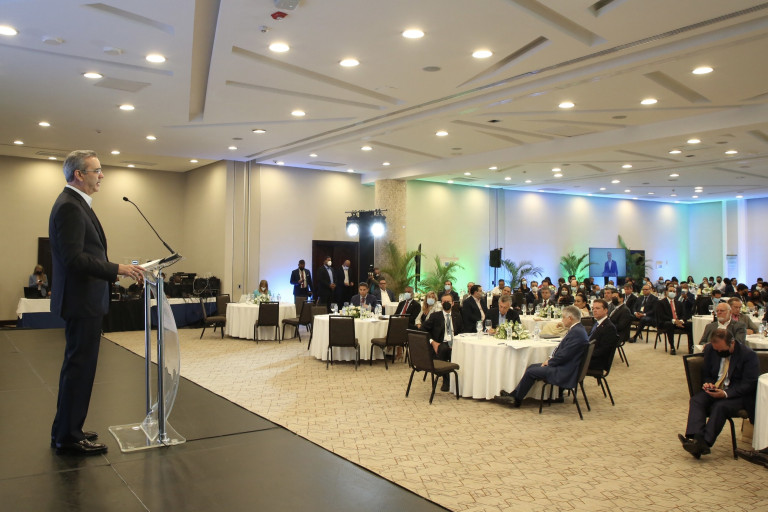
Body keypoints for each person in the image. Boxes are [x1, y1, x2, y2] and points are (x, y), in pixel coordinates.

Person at [49, 150, 145, 455]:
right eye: (97, 170)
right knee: (79, 369)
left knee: (79, 368)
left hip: (85, 300)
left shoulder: (76, 204)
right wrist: (118, 269)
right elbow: (74, 259)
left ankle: (66, 429)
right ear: (79, 174)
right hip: (81, 302)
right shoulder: (70, 206)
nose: (102, 175)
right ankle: (68, 436)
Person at [678, 329, 759, 459]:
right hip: (716, 388)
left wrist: (725, 393)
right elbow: (707, 373)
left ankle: (704, 443)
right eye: (717, 350)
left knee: (720, 406)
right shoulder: (711, 349)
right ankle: (697, 438)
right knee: (696, 400)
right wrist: (709, 384)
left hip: (737, 395)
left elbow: (749, 384)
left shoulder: (748, 355)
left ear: (732, 343)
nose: (719, 352)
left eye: (722, 350)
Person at [497, 306, 589, 408]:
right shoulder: (578, 329)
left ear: (570, 318)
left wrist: (550, 362)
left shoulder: (576, 333)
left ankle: (517, 400)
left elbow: (565, 355)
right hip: (566, 366)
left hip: (565, 370)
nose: (562, 320)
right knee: (532, 367)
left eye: (563, 317)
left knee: (531, 372)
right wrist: (550, 359)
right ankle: (514, 395)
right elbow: (565, 353)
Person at [421, 294, 463, 391]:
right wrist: (432, 342)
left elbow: (461, 331)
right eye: (444, 302)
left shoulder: (457, 316)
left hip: (455, 342)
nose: (446, 303)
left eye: (448, 302)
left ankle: (461, 380)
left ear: (453, 303)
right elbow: (423, 329)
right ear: (441, 303)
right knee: (443, 349)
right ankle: (446, 380)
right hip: (441, 343)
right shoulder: (435, 316)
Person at [657, 283, 693, 355]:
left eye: (674, 291)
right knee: (669, 324)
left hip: (679, 322)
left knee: (690, 325)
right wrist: (674, 321)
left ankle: (691, 347)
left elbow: (684, 314)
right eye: (670, 291)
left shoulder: (679, 303)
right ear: (666, 292)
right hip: (667, 322)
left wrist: (681, 321)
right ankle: (672, 347)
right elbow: (661, 315)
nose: (672, 293)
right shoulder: (661, 303)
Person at [587, 299, 618, 372]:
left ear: (606, 310)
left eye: (597, 308)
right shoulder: (597, 323)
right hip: (589, 354)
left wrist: (584, 355)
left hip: (596, 361)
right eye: (593, 308)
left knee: (567, 361)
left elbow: (603, 350)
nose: (594, 311)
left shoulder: (609, 327)